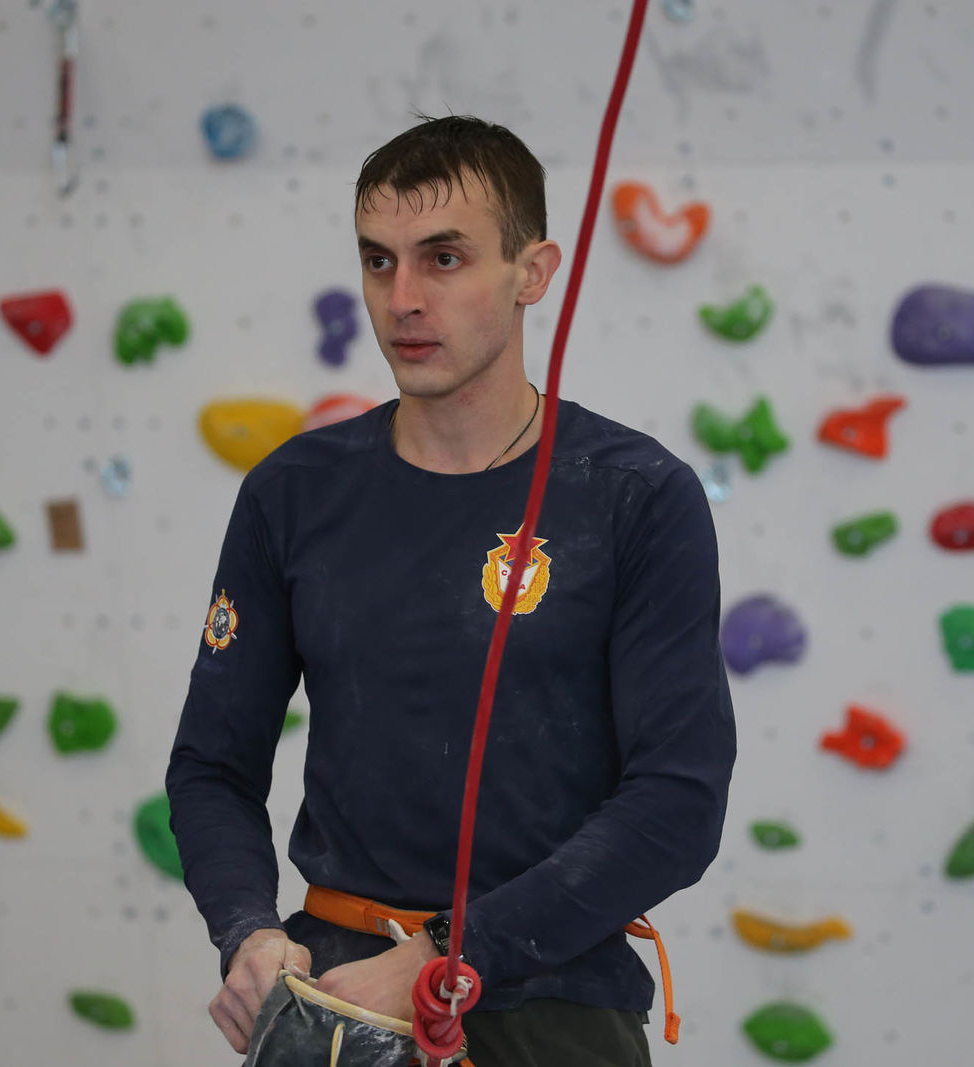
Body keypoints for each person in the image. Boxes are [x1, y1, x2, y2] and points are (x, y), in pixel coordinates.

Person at [166, 114, 736, 1066]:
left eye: (443, 258)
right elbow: (210, 768)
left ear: (533, 272)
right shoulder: (293, 493)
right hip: (336, 1000)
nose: (403, 299)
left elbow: (678, 802)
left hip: (552, 1009)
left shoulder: (634, 496)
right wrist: (248, 931)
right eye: (378, 261)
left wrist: (446, 954)